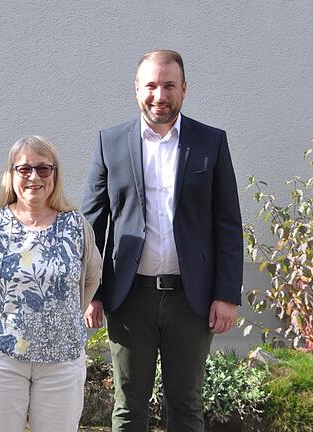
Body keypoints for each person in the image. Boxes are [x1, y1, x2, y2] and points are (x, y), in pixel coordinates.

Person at [81, 49, 243, 431]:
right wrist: (92, 291)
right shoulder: (111, 143)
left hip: (192, 300)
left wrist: (227, 293)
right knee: (128, 408)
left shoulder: (211, 142)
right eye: (151, 85)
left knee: (186, 406)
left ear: (184, 89)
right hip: (129, 298)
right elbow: (92, 225)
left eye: (169, 85)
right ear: (137, 89)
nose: (160, 95)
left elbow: (228, 224)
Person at [0, 136, 102, 432]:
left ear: (55, 174)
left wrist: (59, 317)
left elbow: (90, 277)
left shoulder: (75, 224)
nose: (34, 177)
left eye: (43, 169)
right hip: (1, 357)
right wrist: (3, 319)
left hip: (62, 361)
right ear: (11, 175)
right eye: (24, 169)